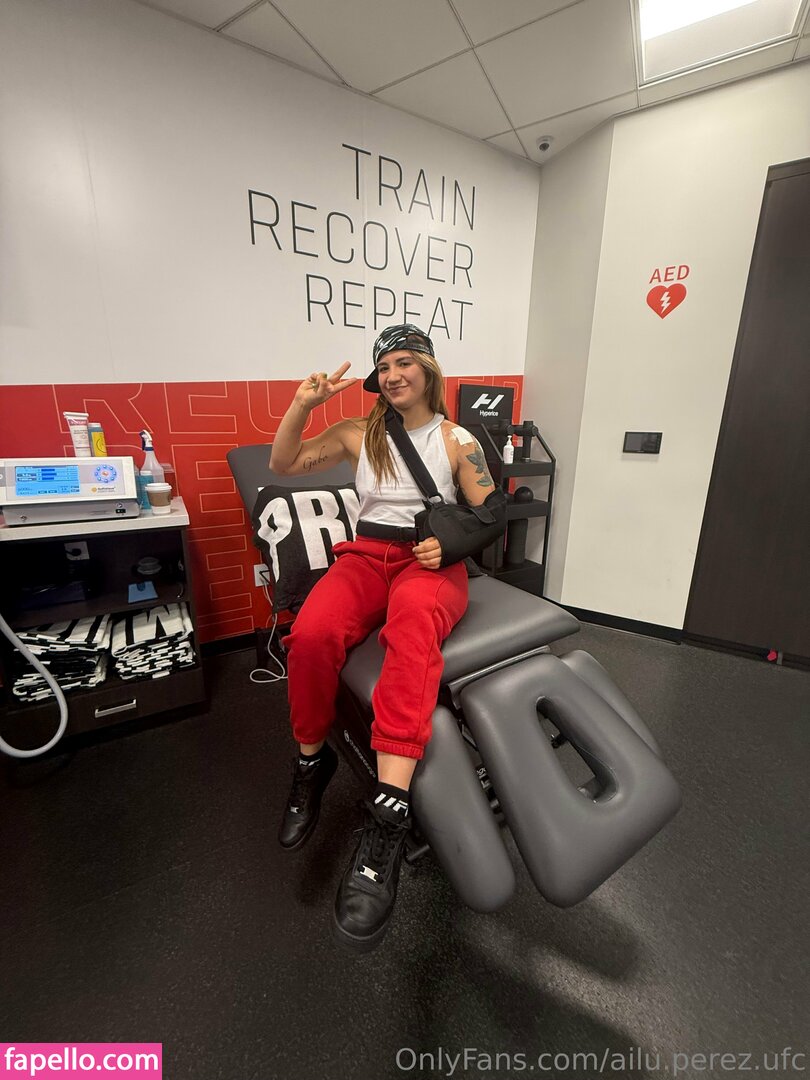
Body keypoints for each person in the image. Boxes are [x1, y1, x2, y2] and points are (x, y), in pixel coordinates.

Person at [270, 324, 499, 952]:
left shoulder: (457, 440)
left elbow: (490, 513)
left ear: (428, 369)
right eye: (385, 367)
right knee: (311, 633)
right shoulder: (357, 433)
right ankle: (310, 763)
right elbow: (283, 463)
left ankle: (388, 814)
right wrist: (302, 405)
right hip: (367, 557)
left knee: (411, 635)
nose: (394, 375)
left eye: (405, 362)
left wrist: (449, 545)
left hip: (429, 564)